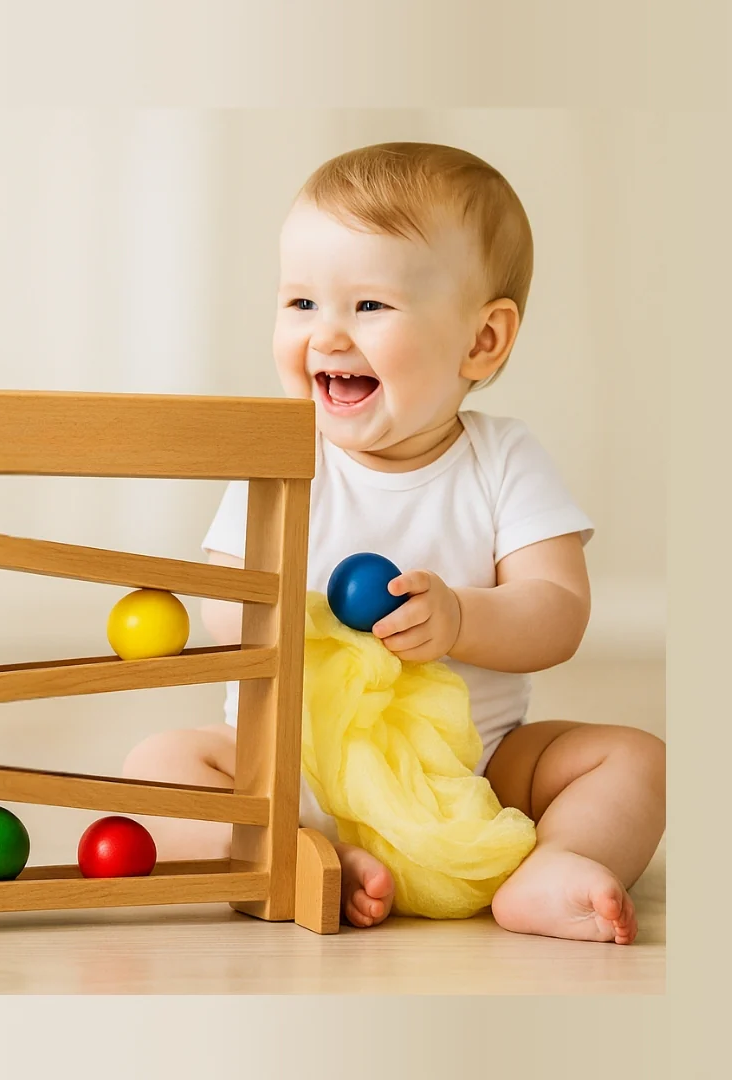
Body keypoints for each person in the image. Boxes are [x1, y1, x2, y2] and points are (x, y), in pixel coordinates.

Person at [123, 142, 665, 943]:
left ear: (483, 340)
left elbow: (558, 610)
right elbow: (225, 609)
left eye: (369, 305)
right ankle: (307, 859)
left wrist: (461, 619)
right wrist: (294, 617)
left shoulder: (503, 459)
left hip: (474, 773)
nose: (327, 334)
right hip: (295, 771)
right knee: (158, 768)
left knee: (636, 760)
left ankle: (554, 863)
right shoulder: (281, 455)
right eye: (301, 302)